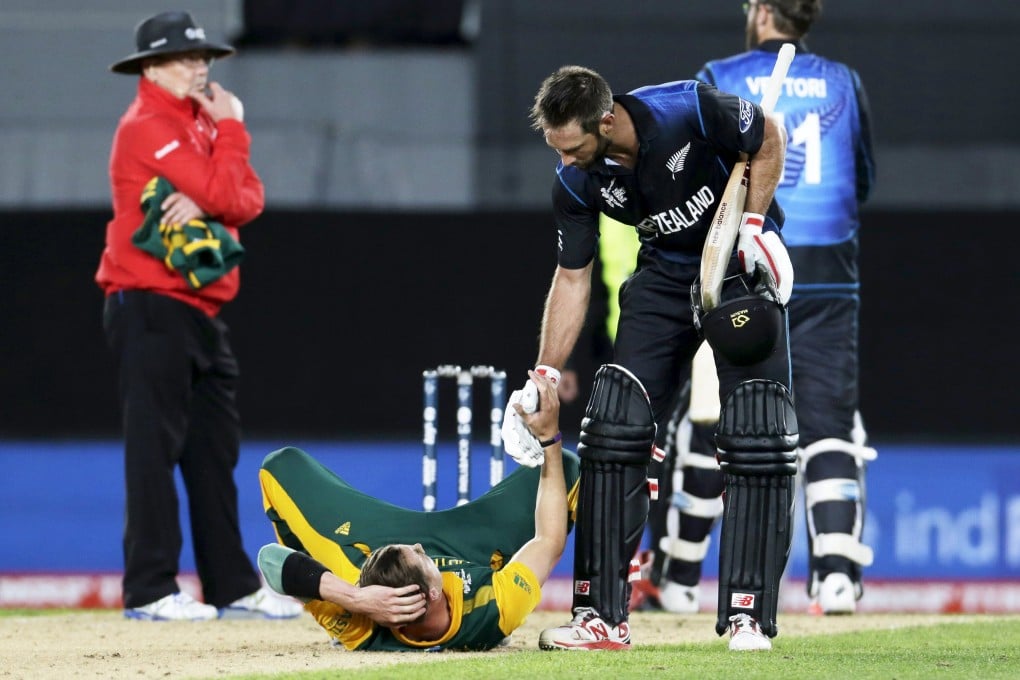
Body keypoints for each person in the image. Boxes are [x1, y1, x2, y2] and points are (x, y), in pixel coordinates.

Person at [519, 63, 799, 652]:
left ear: (605, 119)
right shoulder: (575, 181)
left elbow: (767, 134)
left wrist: (753, 225)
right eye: (556, 150)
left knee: (756, 430)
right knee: (614, 423)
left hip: (739, 271)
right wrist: (544, 370)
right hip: (666, 278)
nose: (565, 163)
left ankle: (748, 614)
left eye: (573, 148)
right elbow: (573, 279)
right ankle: (600, 617)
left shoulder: (684, 108)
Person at [648, 0, 877, 617]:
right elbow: (861, 179)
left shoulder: (718, 76)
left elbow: (695, 176)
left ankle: (682, 580)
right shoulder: (844, 82)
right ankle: (834, 578)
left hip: (744, 267)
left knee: (716, 415)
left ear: (763, 10)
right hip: (828, 274)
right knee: (829, 422)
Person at [98, 10, 300, 621]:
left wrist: (217, 175)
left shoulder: (196, 126)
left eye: (202, 56)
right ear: (152, 67)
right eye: (186, 58)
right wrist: (234, 132)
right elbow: (223, 196)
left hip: (198, 309)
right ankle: (151, 589)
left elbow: (248, 200)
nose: (200, 66)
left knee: (213, 453)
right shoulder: (147, 124)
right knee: (152, 449)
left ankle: (231, 585)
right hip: (148, 302)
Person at [256, 371, 581, 651]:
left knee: (279, 467)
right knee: (566, 467)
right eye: (419, 554)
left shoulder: (356, 623)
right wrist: (549, 439)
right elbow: (548, 540)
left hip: (374, 541)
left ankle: (380, 558)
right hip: (471, 545)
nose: (417, 544)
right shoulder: (493, 610)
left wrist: (356, 598)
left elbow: (271, 560)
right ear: (434, 591)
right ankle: (600, 607)